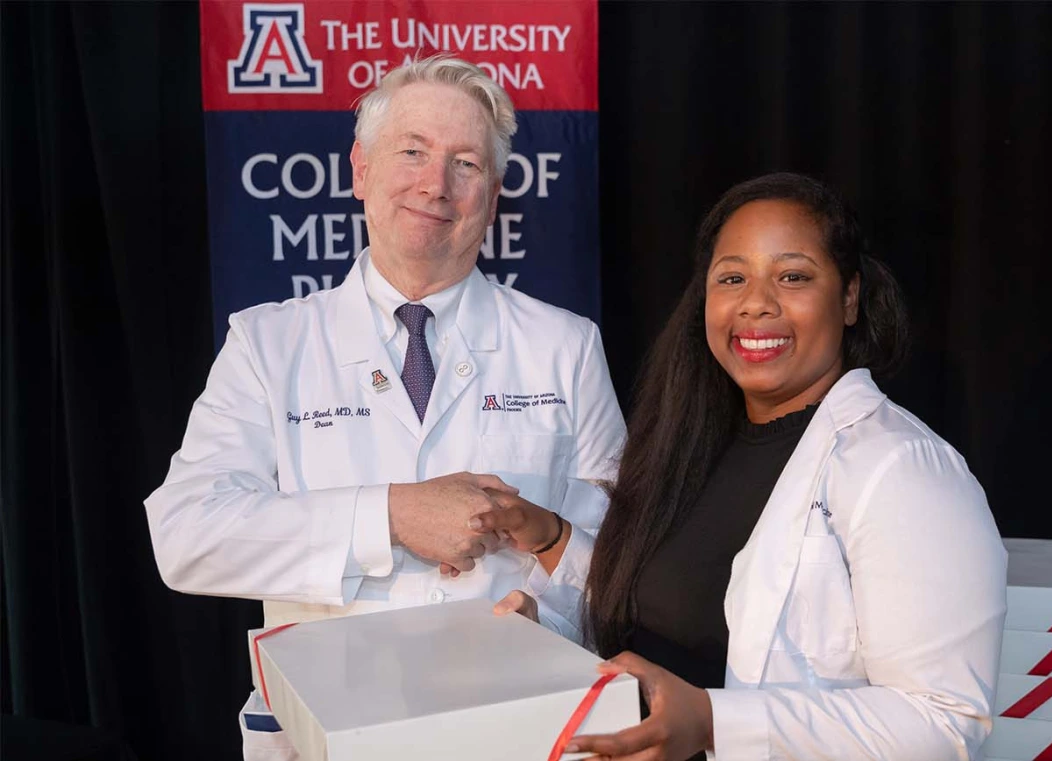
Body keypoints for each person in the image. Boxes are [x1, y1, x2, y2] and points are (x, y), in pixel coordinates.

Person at [144, 55, 623, 760]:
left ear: (492, 198)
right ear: (361, 171)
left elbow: (624, 562)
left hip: (518, 731)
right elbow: (185, 536)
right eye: (412, 152)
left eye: (466, 164)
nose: (436, 184)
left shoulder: (566, 347)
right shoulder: (269, 343)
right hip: (328, 738)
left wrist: (549, 618)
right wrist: (391, 514)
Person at [482, 173, 1007, 760]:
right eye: (732, 278)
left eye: (793, 276)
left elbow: (944, 722)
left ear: (850, 297)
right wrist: (551, 555)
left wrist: (713, 723)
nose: (756, 302)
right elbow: (662, 620)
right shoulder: (690, 450)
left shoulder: (904, 469)